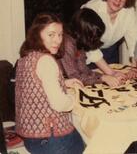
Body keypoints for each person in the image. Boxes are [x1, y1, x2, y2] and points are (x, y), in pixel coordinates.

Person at [15, 13, 85, 154]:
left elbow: (36, 83)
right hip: (52, 140)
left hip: (30, 137)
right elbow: (60, 104)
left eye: (60, 35)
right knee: (87, 139)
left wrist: (64, 82)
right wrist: (74, 97)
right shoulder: (46, 61)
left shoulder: (25, 57)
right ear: (37, 35)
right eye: (51, 35)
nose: (57, 40)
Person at [81, 0, 137, 79]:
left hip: (109, 50)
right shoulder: (91, 9)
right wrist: (111, 73)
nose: (118, 0)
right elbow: (90, 49)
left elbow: (135, 42)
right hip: (85, 52)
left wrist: (134, 68)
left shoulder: (129, 12)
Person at [59, 8, 124, 87]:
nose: (96, 40)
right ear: (85, 34)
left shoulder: (78, 42)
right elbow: (75, 77)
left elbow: (83, 70)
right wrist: (103, 78)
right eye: (94, 37)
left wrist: (105, 77)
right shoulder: (67, 44)